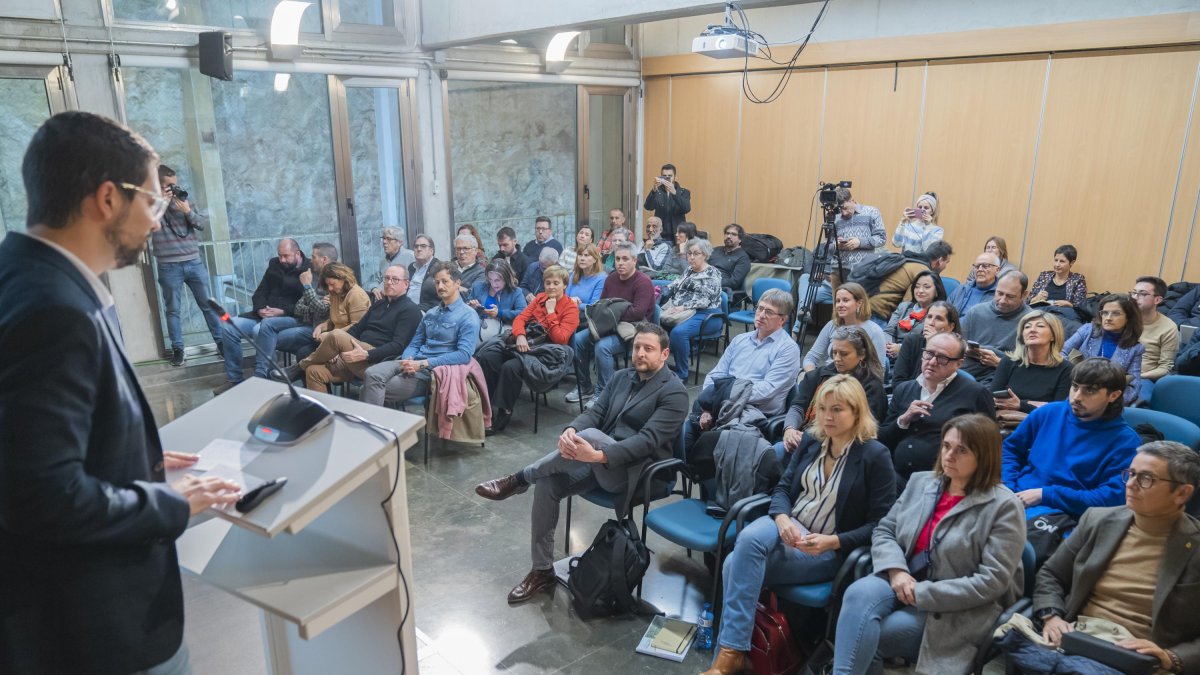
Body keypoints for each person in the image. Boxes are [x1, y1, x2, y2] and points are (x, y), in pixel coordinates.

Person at [0, 111, 241, 675]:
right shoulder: (56, 311)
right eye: (153, 202)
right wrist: (171, 503)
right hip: (92, 626)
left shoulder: (23, 273)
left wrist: (133, 456)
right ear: (108, 198)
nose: (157, 220)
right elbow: (41, 497)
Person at [473, 322, 689, 604]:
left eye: (648, 349)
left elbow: (648, 441)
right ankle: (542, 570)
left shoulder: (675, 393)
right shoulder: (622, 377)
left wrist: (598, 455)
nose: (640, 353)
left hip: (636, 472)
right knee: (548, 483)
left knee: (591, 436)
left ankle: (519, 479)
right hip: (596, 459)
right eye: (637, 347)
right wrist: (571, 430)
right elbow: (595, 413)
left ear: (664, 354)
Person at [701, 376, 897, 675]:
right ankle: (733, 653)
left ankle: (727, 656)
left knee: (732, 564)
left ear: (857, 412)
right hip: (788, 526)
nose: (827, 417)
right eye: (823, 409)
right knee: (750, 539)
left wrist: (834, 542)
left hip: (825, 547)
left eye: (837, 410)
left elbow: (879, 524)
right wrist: (781, 518)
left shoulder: (875, 456)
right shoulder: (812, 440)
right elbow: (782, 489)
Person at [833, 414, 1026, 675]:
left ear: (984, 457)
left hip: (954, 606)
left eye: (961, 450)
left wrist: (921, 592)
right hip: (902, 578)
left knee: (869, 634)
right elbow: (885, 530)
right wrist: (896, 571)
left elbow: (992, 582)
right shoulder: (922, 482)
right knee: (858, 594)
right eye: (946, 446)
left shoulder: (1004, 506)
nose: (949, 456)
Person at [1029, 441, 1199, 673]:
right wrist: (1052, 617)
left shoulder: (1195, 547)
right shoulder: (1097, 520)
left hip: (1139, 659)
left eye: (1146, 479)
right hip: (1079, 639)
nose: (1130, 484)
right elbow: (1051, 574)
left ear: (1182, 493)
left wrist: (1172, 657)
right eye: (1131, 474)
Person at [1002, 357, 1142, 523]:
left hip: (1065, 515)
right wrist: (1007, 486)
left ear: (1114, 395)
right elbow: (1010, 449)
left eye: (1090, 391)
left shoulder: (1126, 442)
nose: (1077, 397)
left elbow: (1111, 497)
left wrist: (1046, 495)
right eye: (1075, 386)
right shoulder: (1048, 413)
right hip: (1016, 497)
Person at [684, 289, 801, 450]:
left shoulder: (788, 349)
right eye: (760, 308)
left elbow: (766, 391)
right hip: (722, 405)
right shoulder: (740, 340)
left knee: (708, 444)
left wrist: (721, 398)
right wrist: (708, 407)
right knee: (683, 436)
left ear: (782, 319)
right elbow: (717, 373)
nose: (761, 315)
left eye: (769, 312)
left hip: (754, 413)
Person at [360, 262, 479, 407]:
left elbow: (464, 354)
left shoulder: (468, 315)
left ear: (457, 283)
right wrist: (408, 359)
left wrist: (423, 364)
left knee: (369, 388)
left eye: (445, 281)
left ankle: (376, 422)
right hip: (412, 362)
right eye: (437, 282)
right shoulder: (431, 313)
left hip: (433, 371)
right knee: (371, 373)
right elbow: (415, 343)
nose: (440, 286)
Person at [880, 332, 996, 481]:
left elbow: (989, 447)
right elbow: (883, 438)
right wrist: (903, 421)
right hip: (897, 478)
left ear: (959, 364)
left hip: (945, 481)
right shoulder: (904, 389)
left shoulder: (976, 394)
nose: (932, 362)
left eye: (942, 358)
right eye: (929, 354)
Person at [477, 265, 579, 433]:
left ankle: (504, 410)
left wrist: (551, 312)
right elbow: (520, 319)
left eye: (556, 283)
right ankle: (487, 407)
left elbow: (560, 339)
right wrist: (520, 335)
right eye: (548, 283)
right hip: (527, 341)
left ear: (565, 285)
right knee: (487, 357)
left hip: (549, 350)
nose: (551, 287)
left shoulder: (570, 308)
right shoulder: (540, 298)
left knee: (510, 367)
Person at [299, 265, 422, 394]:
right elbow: (357, 328)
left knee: (336, 334)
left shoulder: (410, 310)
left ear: (406, 284)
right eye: (386, 278)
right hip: (355, 355)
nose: (389, 282)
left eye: (395, 279)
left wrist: (367, 354)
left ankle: (300, 366)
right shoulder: (380, 304)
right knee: (313, 371)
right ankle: (324, 407)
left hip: (377, 361)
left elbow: (398, 346)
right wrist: (335, 349)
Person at [215, 237, 311, 394]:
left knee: (259, 330)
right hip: (263, 314)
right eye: (279, 255)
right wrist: (260, 309)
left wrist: (282, 311)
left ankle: (268, 379)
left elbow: (308, 303)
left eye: (286, 256)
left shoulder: (308, 270)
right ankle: (235, 380)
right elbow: (260, 291)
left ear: (297, 254)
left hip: (290, 317)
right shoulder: (275, 264)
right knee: (229, 326)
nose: (282, 259)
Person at [151, 163, 223, 366]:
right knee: (173, 310)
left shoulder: (184, 201)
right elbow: (148, 225)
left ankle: (221, 343)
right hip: (168, 266)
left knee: (208, 305)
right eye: (169, 186)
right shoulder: (151, 205)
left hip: (193, 262)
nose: (174, 189)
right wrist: (162, 203)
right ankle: (178, 349)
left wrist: (188, 211)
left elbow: (201, 224)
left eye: (175, 184)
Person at [779, 326, 887, 460]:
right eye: (834, 352)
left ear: (862, 355)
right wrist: (789, 429)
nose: (837, 358)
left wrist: (808, 439)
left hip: (840, 450)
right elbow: (798, 406)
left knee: (778, 453)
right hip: (802, 438)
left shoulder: (871, 388)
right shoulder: (818, 375)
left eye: (844, 354)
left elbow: (862, 430)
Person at [569, 242, 656, 404]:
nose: (620, 263)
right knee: (578, 340)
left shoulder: (643, 282)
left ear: (634, 260)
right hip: (609, 325)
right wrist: (611, 315)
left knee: (602, 347)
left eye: (625, 259)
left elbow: (637, 313)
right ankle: (584, 386)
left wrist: (611, 315)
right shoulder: (611, 279)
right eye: (617, 259)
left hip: (634, 329)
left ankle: (604, 393)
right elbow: (602, 305)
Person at [255, 241, 337, 368]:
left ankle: (267, 373)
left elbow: (321, 310)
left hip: (318, 327)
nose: (311, 260)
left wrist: (307, 287)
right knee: (266, 324)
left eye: (314, 257)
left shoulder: (335, 279)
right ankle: (264, 373)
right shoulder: (313, 274)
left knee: (268, 338)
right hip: (305, 320)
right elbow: (299, 307)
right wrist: (314, 303)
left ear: (324, 259)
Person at [991, 311, 1074, 430]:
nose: (1032, 330)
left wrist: (1021, 404)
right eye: (1027, 327)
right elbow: (993, 399)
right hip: (1003, 422)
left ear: (1053, 336)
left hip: (1042, 426)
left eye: (1040, 326)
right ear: (1022, 336)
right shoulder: (1008, 361)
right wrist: (1037, 404)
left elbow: (1058, 412)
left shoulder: (1066, 369)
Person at [1062, 293, 1144, 403]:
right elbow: (1061, 352)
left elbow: (1134, 385)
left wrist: (1110, 401)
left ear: (1128, 318)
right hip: (1076, 389)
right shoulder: (1088, 330)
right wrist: (1073, 377)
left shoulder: (1135, 348)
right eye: (1105, 313)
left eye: (1116, 314)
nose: (1108, 318)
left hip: (1107, 400)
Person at [661, 237, 724, 381]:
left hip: (708, 314)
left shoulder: (712, 273)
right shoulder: (689, 270)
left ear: (705, 255)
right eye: (689, 253)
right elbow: (676, 284)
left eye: (696, 253)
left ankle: (682, 373)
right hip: (684, 311)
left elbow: (706, 300)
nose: (691, 257)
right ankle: (660, 366)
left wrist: (683, 307)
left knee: (678, 333)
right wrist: (662, 290)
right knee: (655, 324)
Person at [961, 270, 1033, 386]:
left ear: (1024, 295)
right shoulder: (976, 311)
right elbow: (957, 344)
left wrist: (999, 363)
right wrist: (965, 349)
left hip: (1000, 376)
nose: (1002, 300)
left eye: (1010, 296)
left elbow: (1032, 367)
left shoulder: (1031, 321)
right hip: (966, 369)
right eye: (999, 293)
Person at [802, 282, 888, 373]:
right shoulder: (832, 325)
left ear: (859, 303)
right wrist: (811, 376)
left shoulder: (874, 331)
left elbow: (879, 370)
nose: (840, 305)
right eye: (838, 301)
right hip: (828, 375)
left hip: (857, 379)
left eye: (845, 300)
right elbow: (810, 358)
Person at [891, 301, 961, 387]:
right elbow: (897, 382)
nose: (931, 322)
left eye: (939, 319)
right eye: (929, 317)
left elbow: (936, 383)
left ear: (951, 327)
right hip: (909, 394)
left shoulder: (956, 351)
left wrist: (932, 344)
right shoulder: (911, 341)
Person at [1132, 275, 1179, 402]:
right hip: (1113, 372)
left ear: (1157, 300)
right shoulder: (1123, 318)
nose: (1135, 297)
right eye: (1134, 293)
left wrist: (1138, 376)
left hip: (1143, 378)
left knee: (1142, 401)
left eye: (1142, 294)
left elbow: (1165, 368)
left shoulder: (1168, 327)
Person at [883, 270, 946, 359]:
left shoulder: (938, 314)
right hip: (890, 354)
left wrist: (901, 349)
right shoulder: (904, 307)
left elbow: (928, 343)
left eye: (926, 287)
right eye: (917, 287)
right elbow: (889, 332)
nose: (920, 291)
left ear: (937, 291)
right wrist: (889, 348)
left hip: (916, 358)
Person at [830, 186, 886, 274]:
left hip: (865, 271)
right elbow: (827, 245)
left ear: (852, 201)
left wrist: (860, 242)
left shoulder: (872, 212)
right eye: (840, 209)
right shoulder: (835, 217)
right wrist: (835, 245)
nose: (843, 213)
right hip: (840, 272)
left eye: (845, 208)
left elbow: (881, 238)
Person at [469, 259, 528, 327]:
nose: (493, 284)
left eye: (497, 280)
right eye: (490, 279)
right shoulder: (477, 287)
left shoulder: (516, 292)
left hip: (502, 330)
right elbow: (465, 308)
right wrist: (471, 307)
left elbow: (523, 313)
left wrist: (500, 313)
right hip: (477, 327)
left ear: (507, 278)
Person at [643, 162, 691, 241]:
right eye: (664, 176)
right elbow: (648, 207)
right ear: (661, 177)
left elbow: (686, 208)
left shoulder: (684, 192)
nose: (667, 178)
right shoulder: (657, 191)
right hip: (660, 234)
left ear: (675, 177)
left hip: (677, 234)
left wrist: (675, 193)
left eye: (670, 176)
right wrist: (654, 190)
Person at [890, 191, 944, 256]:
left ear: (932, 211)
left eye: (926, 208)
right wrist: (902, 222)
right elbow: (896, 244)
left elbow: (930, 251)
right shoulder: (908, 226)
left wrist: (928, 226)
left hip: (923, 262)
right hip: (906, 260)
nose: (922, 210)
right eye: (920, 207)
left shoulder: (937, 231)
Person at [369, 226, 415, 299]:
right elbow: (378, 279)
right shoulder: (383, 260)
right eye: (384, 238)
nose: (384, 242)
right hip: (382, 300)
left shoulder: (411, 257)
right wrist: (374, 288)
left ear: (399, 242)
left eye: (389, 239)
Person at [709, 223, 752, 294]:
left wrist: (712, 283)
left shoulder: (743, 258)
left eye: (733, 234)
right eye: (727, 233)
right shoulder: (714, 250)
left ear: (740, 239)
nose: (729, 236)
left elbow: (734, 282)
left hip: (723, 290)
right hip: (705, 285)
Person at [565, 242, 607, 308]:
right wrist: (571, 302)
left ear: (595, 259)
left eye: (586, 255)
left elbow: (594, 306)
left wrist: (576, 304)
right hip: (569, 311)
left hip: (586, 314)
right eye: (580, 255)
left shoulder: (602, 278)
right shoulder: (574, 274)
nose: (582, 258)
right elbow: (564, 298)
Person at [408, 233, 439, 310]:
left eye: (423, 246)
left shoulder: (439, 268)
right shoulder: (411, 267)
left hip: (426, 310)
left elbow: (438, 299)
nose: (419, 249)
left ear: (431, 250)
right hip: (407, 308)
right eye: (416, 246)